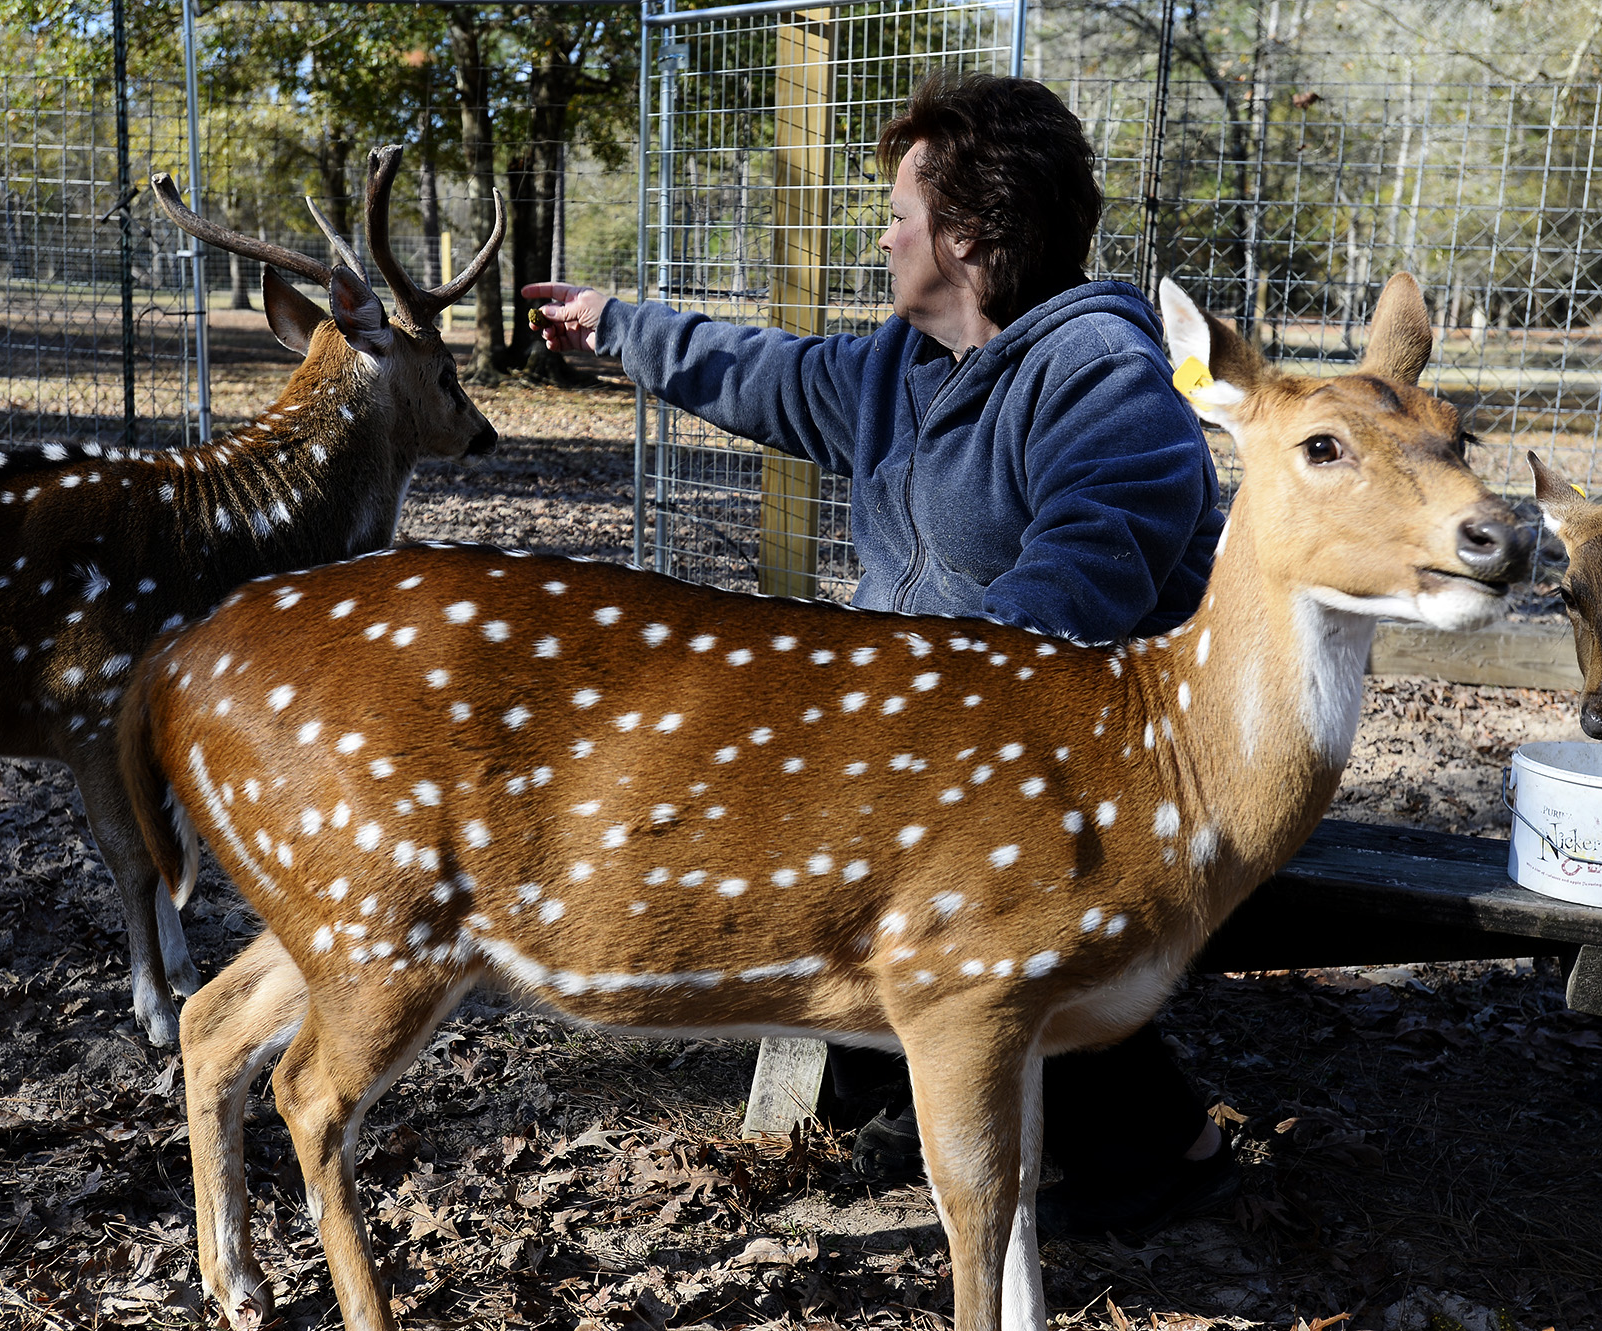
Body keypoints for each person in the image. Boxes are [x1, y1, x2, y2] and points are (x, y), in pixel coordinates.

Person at [523, 71, 1235, 1239]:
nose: (883, 232)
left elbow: (1070, 596)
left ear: (964, 235)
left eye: (901, 212)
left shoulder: (1107, 385)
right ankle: (900, 1087)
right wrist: (618, 325)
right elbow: (766, 373)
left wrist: (874, 712)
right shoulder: (900, 367)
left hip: (1117, 770)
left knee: (966, 873)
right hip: (947, 725)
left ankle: (1168, 1147)